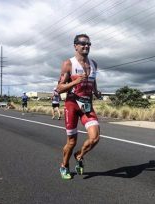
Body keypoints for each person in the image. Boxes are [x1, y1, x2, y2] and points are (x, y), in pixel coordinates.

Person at [56, 34, 101, 180]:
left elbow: (93, 81)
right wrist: (74, 83)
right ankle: (64, 165)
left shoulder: (93, 64)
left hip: (87, 105)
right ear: (75, 46)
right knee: (72, 141)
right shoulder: (68, 64)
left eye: (88, 44)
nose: (86, 46)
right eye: (82, 43)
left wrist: (96, 91)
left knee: (95, 138)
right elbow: (59, 88)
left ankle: (79, 155)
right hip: (72, 105)